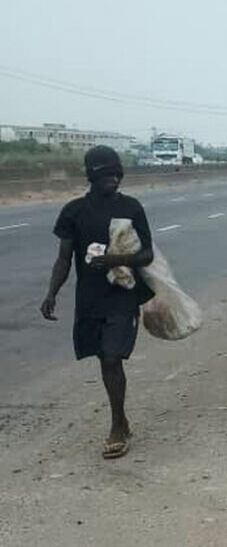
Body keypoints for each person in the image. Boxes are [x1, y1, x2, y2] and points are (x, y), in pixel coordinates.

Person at [40, 146, 154, 459]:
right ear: (92, 175)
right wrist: (52, 293)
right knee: (102, 357)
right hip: (90, 299)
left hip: (122, 295)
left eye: (118, 174)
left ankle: (117, 425)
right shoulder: (74, 211)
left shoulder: (131, 207)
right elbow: (64, 258)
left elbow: (147, 255)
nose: (114, 180)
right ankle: (122, 419)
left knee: (111, 357)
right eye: (107, 175)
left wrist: (114, 259)